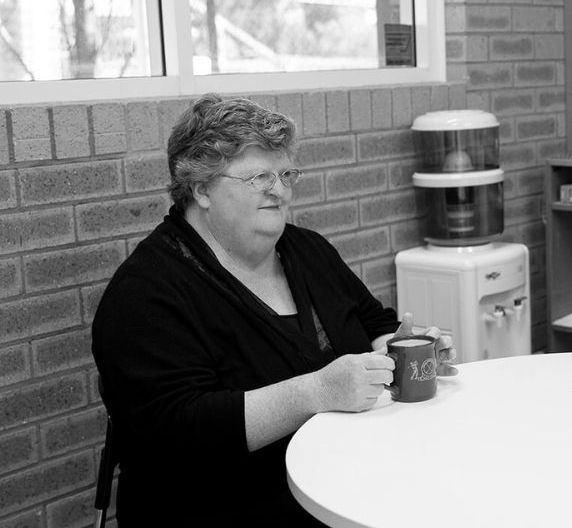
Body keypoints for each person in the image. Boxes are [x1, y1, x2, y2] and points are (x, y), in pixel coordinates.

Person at [91, 95, 452, 527]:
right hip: (227, 508)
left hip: (349, 483)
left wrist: (400, 351)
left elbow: (371, 322)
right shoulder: (146, 293)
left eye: (285, 174)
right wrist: (316, 392)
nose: (278, 190)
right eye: (258, 177)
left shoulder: (307, 250)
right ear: (201, 188)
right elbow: (176, 431)